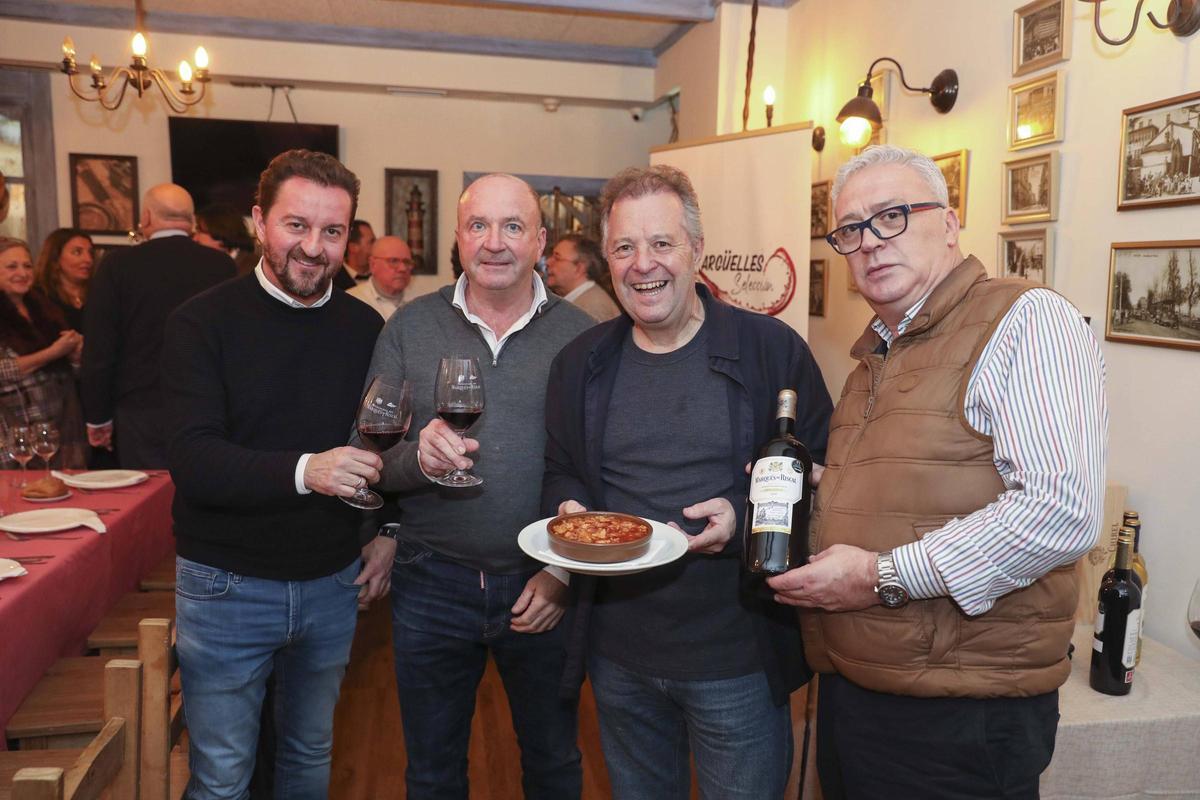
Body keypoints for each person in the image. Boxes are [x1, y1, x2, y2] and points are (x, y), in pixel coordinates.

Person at [766, 145, 1107, 799]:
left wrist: (879, 576)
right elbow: (928, 480)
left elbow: (1059, 511)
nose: (870, 241)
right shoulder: (877, 353)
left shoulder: (1027, 319)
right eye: (850, 229)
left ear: (949, 225)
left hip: (958, 717)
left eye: (891, 216)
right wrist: (814, 489)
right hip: (862, 691)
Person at [542, 164, 832, 799]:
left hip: (737, 658)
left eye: (662, 243)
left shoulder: (771, 350)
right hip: (619, 655)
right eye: (624, 247)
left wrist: (742, 517)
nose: (643, 264)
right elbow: (560, 465)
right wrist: (569, 507)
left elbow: (824, 473)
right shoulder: (581, 362)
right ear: (608, 260)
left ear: (698, 250)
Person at [162, 149, 390, 800]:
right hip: (226, 585)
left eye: (332, 231)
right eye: (297, 225)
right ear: (259, 222)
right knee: (222, 778)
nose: (314, 247)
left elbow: (384, 445)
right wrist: (306, 471)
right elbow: (194, 459)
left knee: (307, 763)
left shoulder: (365, 327)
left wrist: (389, 530)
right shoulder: (201, 322)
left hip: (331, 583)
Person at [363, 173, 592, 799]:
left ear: (540, 241)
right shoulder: (409, 327)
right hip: (431, 581)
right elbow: (369, 453)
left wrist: (564, 573)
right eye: (479, 226)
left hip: (544, 585)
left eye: (513, 226)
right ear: (459, 238)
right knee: (432, 771)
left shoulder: (583, 336)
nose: (495, 242)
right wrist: (418, 461)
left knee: (553, 763)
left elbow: (602, 470)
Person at [80, 183, 234, 467]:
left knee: (148, 491)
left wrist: (98, 417)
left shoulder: (118, 265)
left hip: (140, 408)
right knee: (203, 485)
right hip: (207, 403)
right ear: (191, 221)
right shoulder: (221, 265)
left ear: (146, 217)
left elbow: (100, 347)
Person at [0, 237, 86, 468]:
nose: (22, 273)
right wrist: (53, 352)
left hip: (59, 427)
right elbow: (3, 370)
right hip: (13, 433)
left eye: (27, 266)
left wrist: (75, 355)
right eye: (12, 266)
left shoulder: (44, 307)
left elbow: (67, 371)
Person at [544, 234, 621, 322]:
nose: (548, 262)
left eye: (557, 258)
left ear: (579, 268)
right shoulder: (581, 301)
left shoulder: (592, 308)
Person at [33, 228, 95, 331]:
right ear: (56, 258)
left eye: (90, 253)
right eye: (77, 252)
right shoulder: (39, 296)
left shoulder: (99, 293)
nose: (88, 259)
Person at [347, 235, 414, 321]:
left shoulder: (420, 301)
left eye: (407, 262)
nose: (403, 268)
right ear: (373, 265)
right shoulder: (352, 301)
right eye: (393, 261)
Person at [194, 202, 259, 275]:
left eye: (199, 231)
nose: (195, 238)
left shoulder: (251, 268)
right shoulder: (203, 264)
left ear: (218, 233)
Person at [334, 219, 374, 289]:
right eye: (371, 242)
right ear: (353, 247)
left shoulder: (381, 275)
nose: (377, 246)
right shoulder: (332, 280)